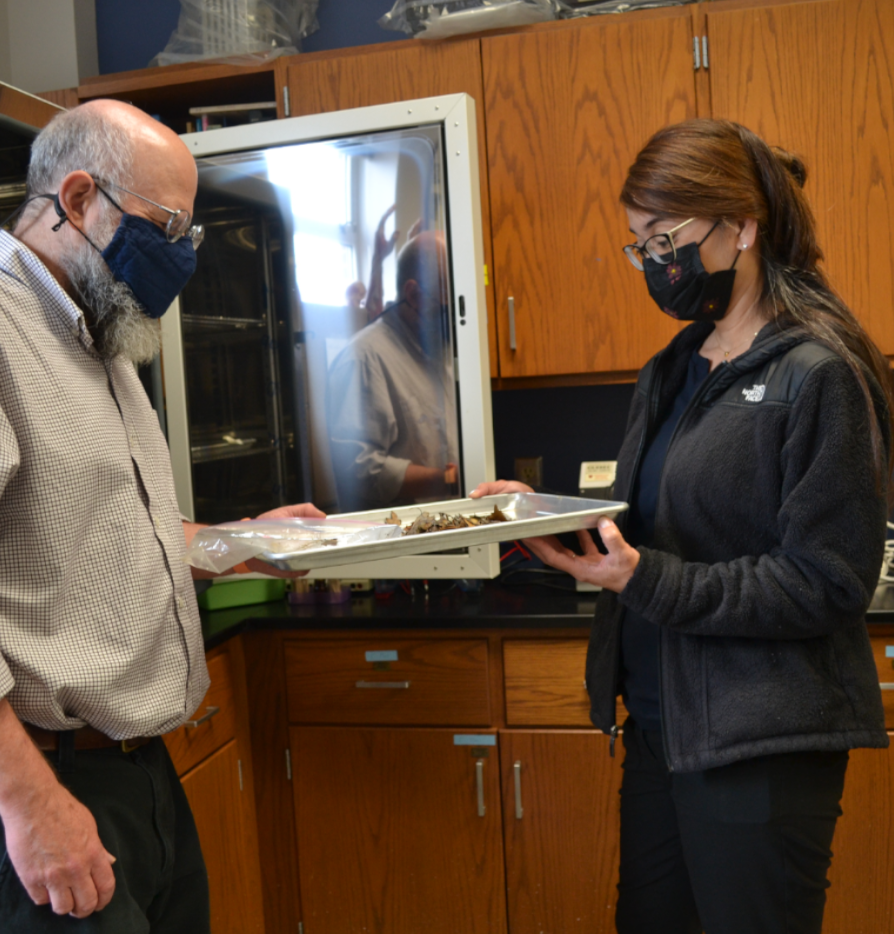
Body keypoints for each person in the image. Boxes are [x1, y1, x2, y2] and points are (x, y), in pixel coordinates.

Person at [0, 99, 322, 933]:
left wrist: (238, 543)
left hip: (129, 772)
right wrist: (35, 806)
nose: (180, 255)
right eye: (167, 226)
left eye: (189, 237)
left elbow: (100, 535)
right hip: (17, 783)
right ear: (78, 198)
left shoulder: (100, 344)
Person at [473, 119, 893, 934]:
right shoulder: (673, 368)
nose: (654, 263)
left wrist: (642, 578)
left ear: (741, 226)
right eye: (638, 245)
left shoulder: (821, 373)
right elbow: (657, 528)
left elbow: (827, 581)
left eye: (664, 238)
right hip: (664, 730)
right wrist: (555, 528)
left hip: (760, 746)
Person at [327, 230, 459, 511]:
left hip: (444, 529)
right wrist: (448, 479)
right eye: (446, 300)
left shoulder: (436, 350)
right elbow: (359, 471)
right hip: (400, 545)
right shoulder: (364, 357)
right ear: (413, 294)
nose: (455, 314)